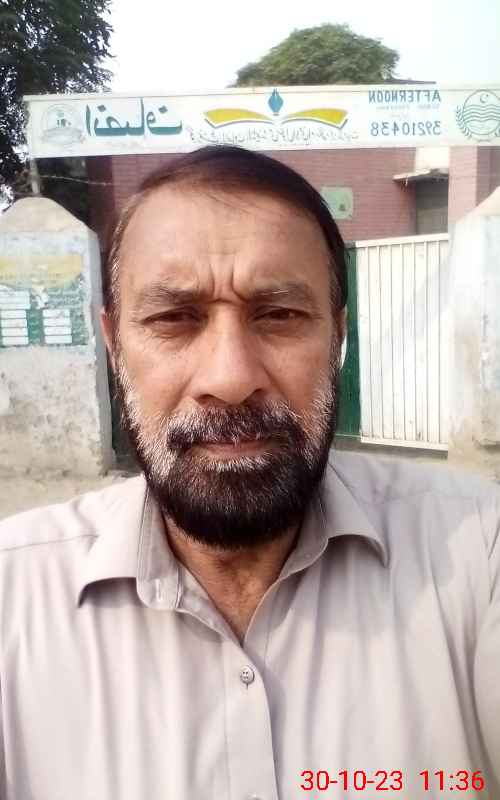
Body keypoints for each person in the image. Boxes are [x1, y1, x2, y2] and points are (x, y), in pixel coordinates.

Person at [0, 145, 499, 800]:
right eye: (174, 318)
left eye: (279, 315)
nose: (231, 379)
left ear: (338, 340)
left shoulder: (478, 551)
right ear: (115, 345)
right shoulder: (12, 599)